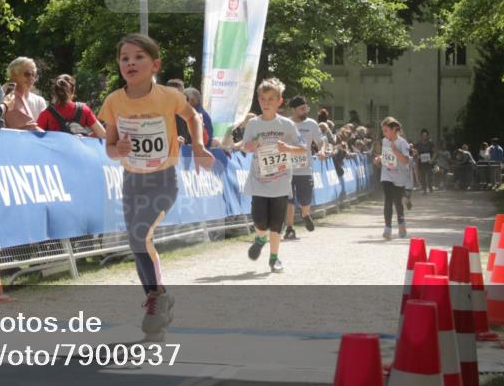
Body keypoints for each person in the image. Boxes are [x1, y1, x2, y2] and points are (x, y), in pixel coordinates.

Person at [98, 33, 215, 340]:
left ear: (155, 64)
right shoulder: (113, 101)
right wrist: (118, 150)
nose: (130, 63)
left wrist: (199, 146)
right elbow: (109, 147)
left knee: (139, 235)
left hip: (163, 179)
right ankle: (158, 296)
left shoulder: (168, 96)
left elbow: (194, 118)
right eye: (124, 58)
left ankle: (156, 300)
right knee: (137, 242)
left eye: (138, 57)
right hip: (131, 181)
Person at [241, 78, 306, 272]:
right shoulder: (253, 124)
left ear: (279, 101)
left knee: (276, 224)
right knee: (260, 220)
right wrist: (251, 146)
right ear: (258, 100)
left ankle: (274, 258)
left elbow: (302, 148)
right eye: (262, 99)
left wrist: (288, 148)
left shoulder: (287, 125)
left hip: (280, 181)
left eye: (271, 99)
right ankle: (260, 237)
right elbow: (245, 147)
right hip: (259, 182)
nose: (266, 103)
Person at [283, 95, 327, 239]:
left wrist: (322, 150)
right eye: (302, 109)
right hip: (287, 169)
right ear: (294, 110)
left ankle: (305, 214)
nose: (305, 111)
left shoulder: (311, 124)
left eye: (305, 108)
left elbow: (321, 141)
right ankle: (289, 228)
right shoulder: (285, 124)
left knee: (305, 199)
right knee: (288, 200)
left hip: (305, 168)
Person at [373, 116, 412, 240]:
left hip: (400, 177)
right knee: (388, 200)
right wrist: (379, 159)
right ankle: (387, 228)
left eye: (386, 130)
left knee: (397, 202)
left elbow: (406, 160)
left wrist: (396, 152)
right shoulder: (385, 141)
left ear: (394, 129)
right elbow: (386, 156)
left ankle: (401, 223)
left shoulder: (402, 143)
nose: (384, 134)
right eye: (383, 131)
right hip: (387, 175)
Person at [37, 74, 105, 137]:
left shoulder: (46, 114)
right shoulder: (84, 110)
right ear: (73, 90)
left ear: (55, 92)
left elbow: (36, 139)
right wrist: (85, 137)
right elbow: (102, 134)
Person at [2, 57, 46, 131]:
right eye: (27, 74)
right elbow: (28, 128)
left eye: (34, 74)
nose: (31, 78)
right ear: (13, 75)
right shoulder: (6, 95)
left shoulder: (39, 101)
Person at [415, 129, 435, 193]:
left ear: (427, 136)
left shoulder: (430, 143)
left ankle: (430, 187)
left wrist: (432, 159)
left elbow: (435, 152)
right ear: (421, 136)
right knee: (422, 176)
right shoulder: (418, 144)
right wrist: (417, 156)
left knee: (429, 176)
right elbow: (416, 151)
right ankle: (424, 189)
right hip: (421, 162)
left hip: (429, 162)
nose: (424, 137)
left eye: (425, 135)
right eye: (423, 135)